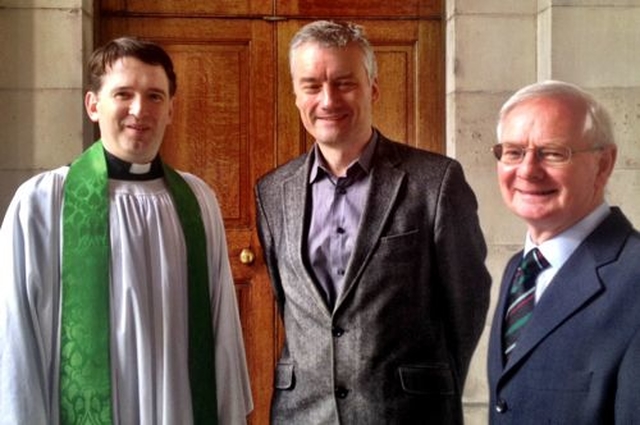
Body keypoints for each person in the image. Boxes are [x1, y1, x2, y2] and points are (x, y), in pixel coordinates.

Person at [0, 36, 252, 424]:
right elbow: (14, 332)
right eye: (123, 94)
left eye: (155, 96)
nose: (140, 109)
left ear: (171, 109)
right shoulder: (42, 203)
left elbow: (223, 327)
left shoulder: (196, 201)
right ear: (93, 105)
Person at [255, 20, 491, 424]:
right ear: (296, 96)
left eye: (344, 83)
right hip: (304, 415)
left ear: (373, 88)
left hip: (408, 413)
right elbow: (290, 304)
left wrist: (428, 383)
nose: (328, 100)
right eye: (312, 85)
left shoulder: (435, 182)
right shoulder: (273, 191)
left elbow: (466, 303)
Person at [487, 80, 640, 424]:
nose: (527, 170)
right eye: (513, 152)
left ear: (604, 164)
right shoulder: (519, 269)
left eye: (553, 152)